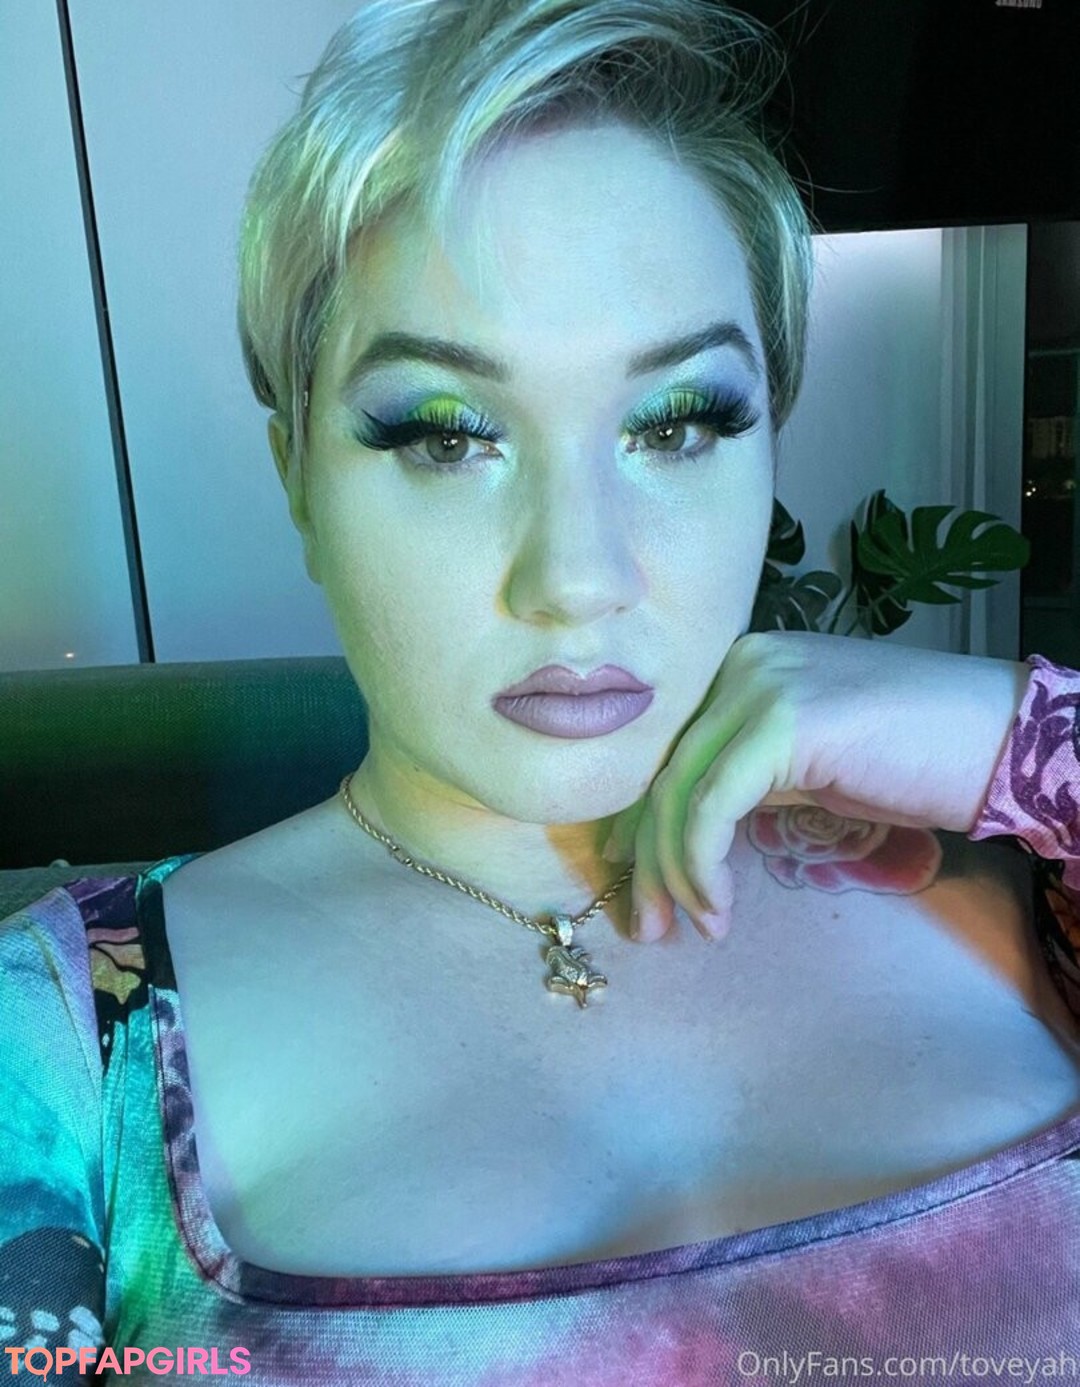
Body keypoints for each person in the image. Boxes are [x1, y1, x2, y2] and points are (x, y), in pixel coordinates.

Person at [2, 0, 1080, 1380]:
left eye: (676, 423)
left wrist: (1022, 737)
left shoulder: (1027, 878)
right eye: (448, 436)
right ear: (298, 479)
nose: (577, 579)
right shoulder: (60, 1049)